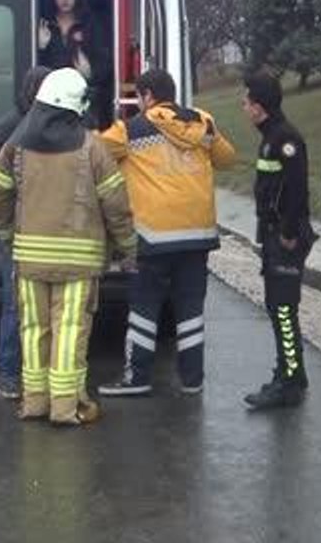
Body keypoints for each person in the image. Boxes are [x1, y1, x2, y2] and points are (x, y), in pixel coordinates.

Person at [0, 68, 137, 425]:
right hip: (77, 263)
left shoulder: (16, 146)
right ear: (75, 106)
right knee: (69, 330)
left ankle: (35, 402)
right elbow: (116, 204)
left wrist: (9, 235)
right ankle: (66, 407)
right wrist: (128, 248)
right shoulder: (93, 148)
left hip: (28, 260)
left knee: (33, 328)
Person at [94, 69, 237, 396]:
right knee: (190, 310)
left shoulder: (131, 129)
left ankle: (137, 377)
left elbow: (95, 154)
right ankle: (192, 379)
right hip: (198, 235)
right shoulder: (203, 122)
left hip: (153, 236)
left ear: (146, 96)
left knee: (144, 308)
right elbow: (227, 159)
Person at [241, 70, 317, 410]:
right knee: (278, 307)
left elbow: (298, 190)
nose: (243, 106)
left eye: (247, 101)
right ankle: (291, 372)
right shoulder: (270, 136)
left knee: (283, 309)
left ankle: (289, 383)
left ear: (260, 106)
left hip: (286, 237)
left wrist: (287, 233)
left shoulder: (286, 139)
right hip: (272, 234)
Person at [0, 65, 53, 400]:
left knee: (17, 303)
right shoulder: (56, 128)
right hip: (37, 227)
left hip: (16, 227)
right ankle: (24, 377)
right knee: (43, 304)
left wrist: (4, 228)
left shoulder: (5, 127)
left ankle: (12, 378)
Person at [37, 0, 115, 129]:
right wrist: (41, 47)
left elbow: (105, 65)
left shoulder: (89, 24)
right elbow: (35, 67)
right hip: (53, 99)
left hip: (83, 100)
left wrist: (89, 70)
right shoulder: (44, 23)